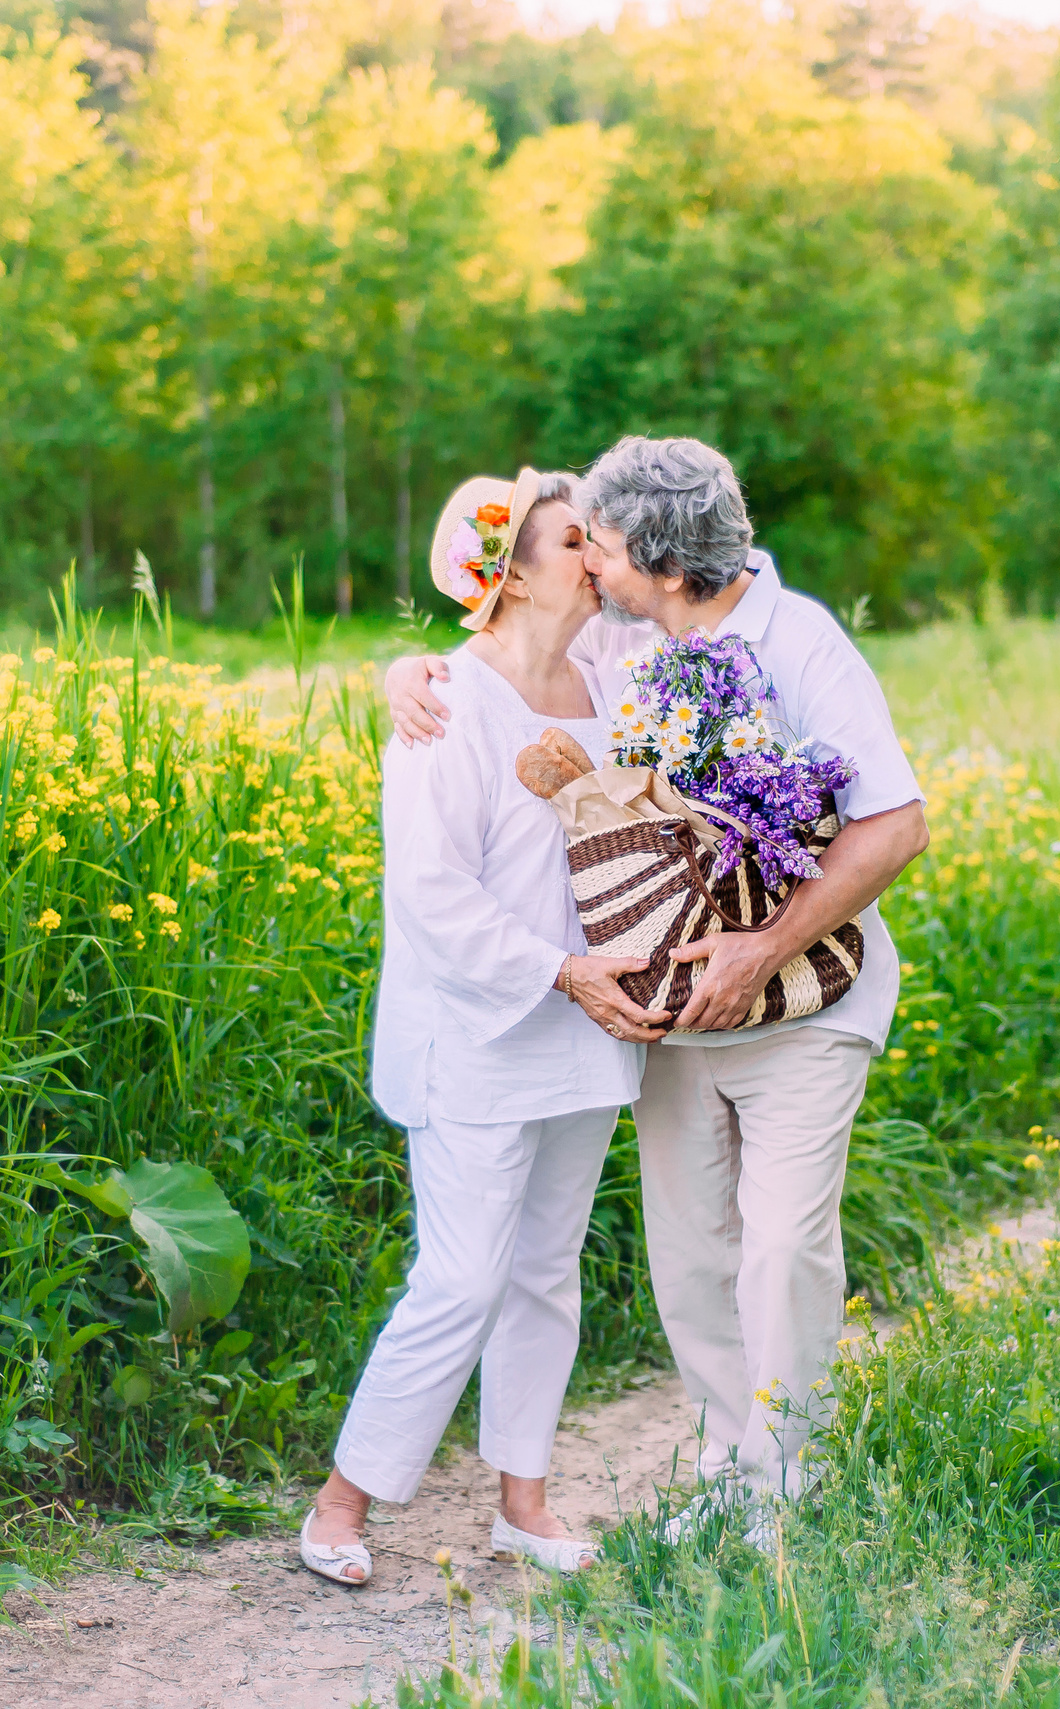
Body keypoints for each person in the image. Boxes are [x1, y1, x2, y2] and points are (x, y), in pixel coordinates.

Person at [383, 437, 929, 1529]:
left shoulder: (802, 641)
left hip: (804, 1005)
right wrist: (405, 671)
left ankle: (785, 1486)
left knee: (779, 1248)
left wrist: (761, 945)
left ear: (661, 564)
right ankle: (735, 1472)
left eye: (603, 542)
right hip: (676, 1021)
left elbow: (898, 821)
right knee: (689, 1262)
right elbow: (503, 658)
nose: (589, 557)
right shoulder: (627, 641)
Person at [300, 468, 674, 1588]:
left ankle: (524, 1502)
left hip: (589, 1024)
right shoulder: (446, 703)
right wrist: (562, 970)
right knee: (461, 1275)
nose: (599, 558)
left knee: (545, 1270)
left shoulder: (613, 674)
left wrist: (595, 981)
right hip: (481, 1026)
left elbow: (735, 595)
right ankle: (342, 1496)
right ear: (507, 574)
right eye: (576, 541)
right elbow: (433, 893)